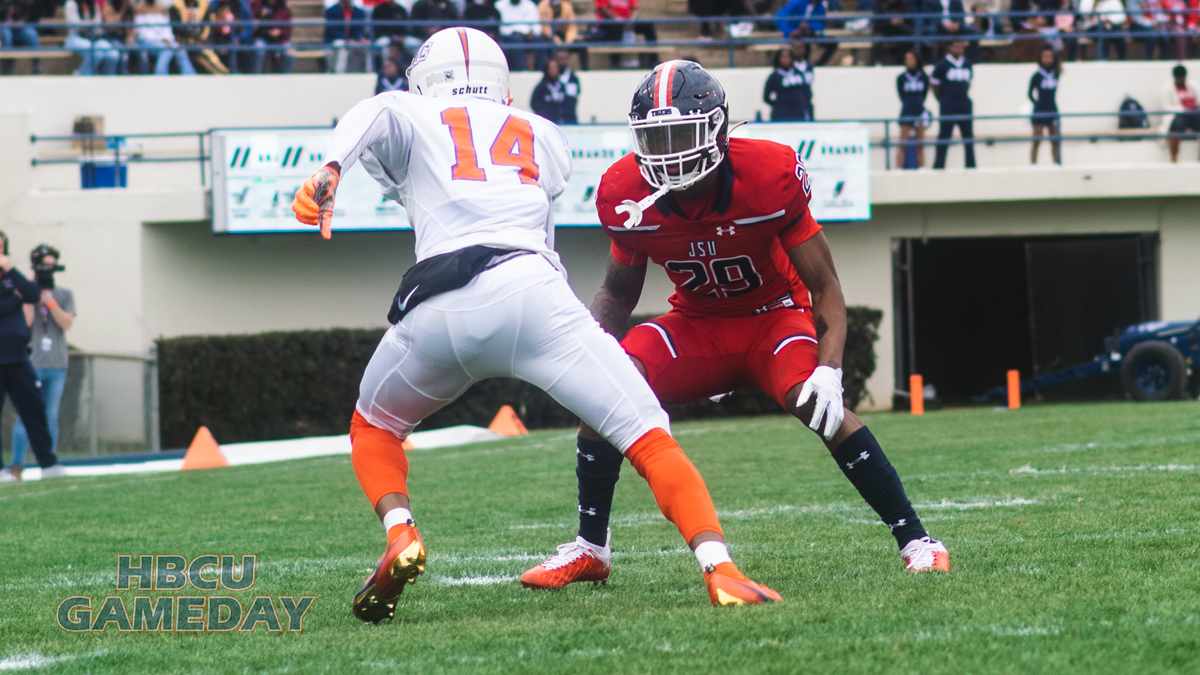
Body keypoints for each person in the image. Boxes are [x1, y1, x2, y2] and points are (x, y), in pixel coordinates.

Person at [290, 29, 780, 619]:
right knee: (646, 432)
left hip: (440, 298)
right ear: (502, 86)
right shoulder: (544, 134)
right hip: (532, 290)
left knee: (374, 426)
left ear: (425, 81)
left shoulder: (407, 108)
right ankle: (719, 568)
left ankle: (401, 533)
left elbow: (374, 112)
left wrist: (329, 168)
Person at [519, 60, 949, 591]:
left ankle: (917, 540)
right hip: (697, 325)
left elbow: (826, 287)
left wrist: (830, 370)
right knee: (612, 382)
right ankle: (590, 548)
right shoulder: (624, 190)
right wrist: (587, 354)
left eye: (681, 134)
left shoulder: (767, 175)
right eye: (656, 138)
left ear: (718, 130)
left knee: (815, 403)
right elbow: (616, 294)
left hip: (773, 320)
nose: (668, 152)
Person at [0, 234, 63, 482]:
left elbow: (32, 293)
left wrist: (11, 270)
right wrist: (12, 300)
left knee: (35, 410)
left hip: (17, 358)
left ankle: (48, 464)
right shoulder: (10, 291)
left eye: (2, 245)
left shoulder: (11, 275)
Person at [931, 39, 975, 169]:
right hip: (948, 104)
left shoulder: (967, 64)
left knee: (968, 137)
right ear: (950, 47)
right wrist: (944, 100)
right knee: (944, 137)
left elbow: (968, 83)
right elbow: (934, 86)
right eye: (956, 46)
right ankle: (939, 167)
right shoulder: (941, 65)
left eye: (961, 46)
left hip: (964, 103)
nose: (959, 49)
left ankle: (971, 166)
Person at [134, 0, 197, 75]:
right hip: (146, 42)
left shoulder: (161, 9)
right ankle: (160, 76)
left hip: (164, 41)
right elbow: (141, 32)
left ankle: (191, 77)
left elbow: (167, 28)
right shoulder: (139, 9)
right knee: (167, 49)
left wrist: (168, 39)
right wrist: (161, 40)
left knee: (179, 49)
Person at [593, 0, 657, 69]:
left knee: (648, 26)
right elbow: (603, 9)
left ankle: (653, 60)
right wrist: (619, 20)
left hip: (627, 20)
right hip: (609, 22)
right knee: (616, 26)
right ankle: (615, 63)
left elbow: (634, 8)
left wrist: (630, 20)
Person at [171, 0, 230, 74]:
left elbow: (209, 26)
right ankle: (219, 73)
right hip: (182, 41)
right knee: (199, 55)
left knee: (207, 55)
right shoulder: (176, 6)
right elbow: (177, 28)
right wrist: (193, 38)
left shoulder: (205, 6)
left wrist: (202, 39)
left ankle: (222, 72)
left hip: (200, 42)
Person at [64, 0, 120, 75]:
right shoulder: (71, 3)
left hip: (94, 37)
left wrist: (90, 25)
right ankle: (82, 75)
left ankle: (107, 81)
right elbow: (74, 24)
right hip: (76, 37)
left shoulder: (93, 4)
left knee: (113, 55)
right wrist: (89, 23)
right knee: (96, 53)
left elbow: (97, 22)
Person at [896, 49, 931, 168]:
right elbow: (901, 95)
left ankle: (922, 168)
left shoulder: (924, 77)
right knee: (902, 143)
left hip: (919, 111)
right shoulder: (901, 78)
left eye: (911, 59)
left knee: (920, 144)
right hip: (906, 111)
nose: (908, 61)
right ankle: (899, 168)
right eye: (906, 59)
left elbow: (925, 94)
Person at [775, 0, 838, 66]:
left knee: (832, 42)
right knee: (804, 41)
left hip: (810, 33)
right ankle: (803, 66)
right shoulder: (797, 2)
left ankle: (818, 65)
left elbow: (821, 24)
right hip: (794, 34)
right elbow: (779, 17)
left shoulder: (820, 6)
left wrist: (809, 26)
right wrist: (790, 30)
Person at [762, 45, 815, 121]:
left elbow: (807, 91)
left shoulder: (799, 73)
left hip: (799, 113)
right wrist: (779, 104)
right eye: (783, 57)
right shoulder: (774, 77)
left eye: (788, 56)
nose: (786, 59)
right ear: (778, 59)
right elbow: (766, 97)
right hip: (781, 114)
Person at [1029, 44, 1061, 164]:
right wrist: (1037, 104)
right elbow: (1030, 93)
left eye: (1050, 56)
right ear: (1040, 58)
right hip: (1040, 110)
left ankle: (1056, 163)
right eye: (1044, 56)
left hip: (1052, 109)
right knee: (1037, 139)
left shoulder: (1056, 73)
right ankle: (1033, 165)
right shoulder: (1037, 75)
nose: (1047, 59)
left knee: (1055, 140)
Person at [495, 0, 550, 71]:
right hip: (510, 36)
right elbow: (502, 29)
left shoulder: (530, 5)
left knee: (540, 40)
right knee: (517, 40)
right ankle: (522, 71)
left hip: (528, 35)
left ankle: (541, 71)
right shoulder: (500, 5)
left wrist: (532, 32)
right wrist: (515, 32)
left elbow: (537, 26)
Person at [1163, 63, 1199, 162]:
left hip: (1194, 114)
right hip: (1179, 115)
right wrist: (1183, 109)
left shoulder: (1193, 86)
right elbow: (1166, 107)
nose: (1180, 80)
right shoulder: (1167, 88)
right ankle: (1174, 157)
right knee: (1177, 125)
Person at [537, 0, 586, 69]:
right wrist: (557, 41)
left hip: (564, 37)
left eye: (557, 6)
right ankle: (551, 70)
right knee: (547, 44)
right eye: (554, 6)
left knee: (582, 45)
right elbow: (545, 28)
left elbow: (572, 27)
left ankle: (585, 70)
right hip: (549, 37)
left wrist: (567, 43)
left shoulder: (566, 6)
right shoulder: (542, 6)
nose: (556, 8)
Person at [324, 0, 369, 73]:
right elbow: (333, 30)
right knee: (341, 44)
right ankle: (339, 73)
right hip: (335, 41)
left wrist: (360, 38)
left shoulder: (358, 12)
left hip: (353, 40)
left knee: (367, 45)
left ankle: (368, 71)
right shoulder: (331, 11)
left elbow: (359, 29)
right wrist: (347, 40)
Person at [1, 0, 44, 75]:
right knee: (7, 36)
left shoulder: (20, 2)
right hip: (3, 26)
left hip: (18, 27)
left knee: (33, 35)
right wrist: (6, 14)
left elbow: (24, 14)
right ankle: (6, 68)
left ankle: (36, 66)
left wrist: (19, 19)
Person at [252, 0, 295, 73]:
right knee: (259, 48)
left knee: (290, 53)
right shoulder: (258, 4)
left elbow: (288, 29)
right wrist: (256, 24)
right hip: (262, 37)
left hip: (279, 40)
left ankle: (287, 79)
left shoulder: (284, 9)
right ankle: (256, 76)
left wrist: (280, 32)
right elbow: (251, 19)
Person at [530, 56, 573, 123]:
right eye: (551, 68)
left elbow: (566, 104)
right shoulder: (541, 87)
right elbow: (533, 103)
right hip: (545, 123)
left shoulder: (562, 87)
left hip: (560, 122)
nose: (554, 70)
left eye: (555, 68)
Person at [871, 0, 915, 65]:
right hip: (884, 31)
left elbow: (908, 17)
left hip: (900, 32)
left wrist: (901, 19)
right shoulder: (880, 5)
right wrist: (890, 22)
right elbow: (877, 24)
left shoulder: (901, 4)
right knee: (904, 31)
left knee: (904, 36)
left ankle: (901, 61)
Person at [370, 0, 411, 66]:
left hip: (400, 37)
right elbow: (376, 29)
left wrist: (401, 36)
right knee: (384, 43)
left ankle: (410, 68)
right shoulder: (378, 9)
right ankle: (387, 69)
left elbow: (405, 27)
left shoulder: (401, 9)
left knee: (414, 43)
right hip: (384, 37)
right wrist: (391, 37)